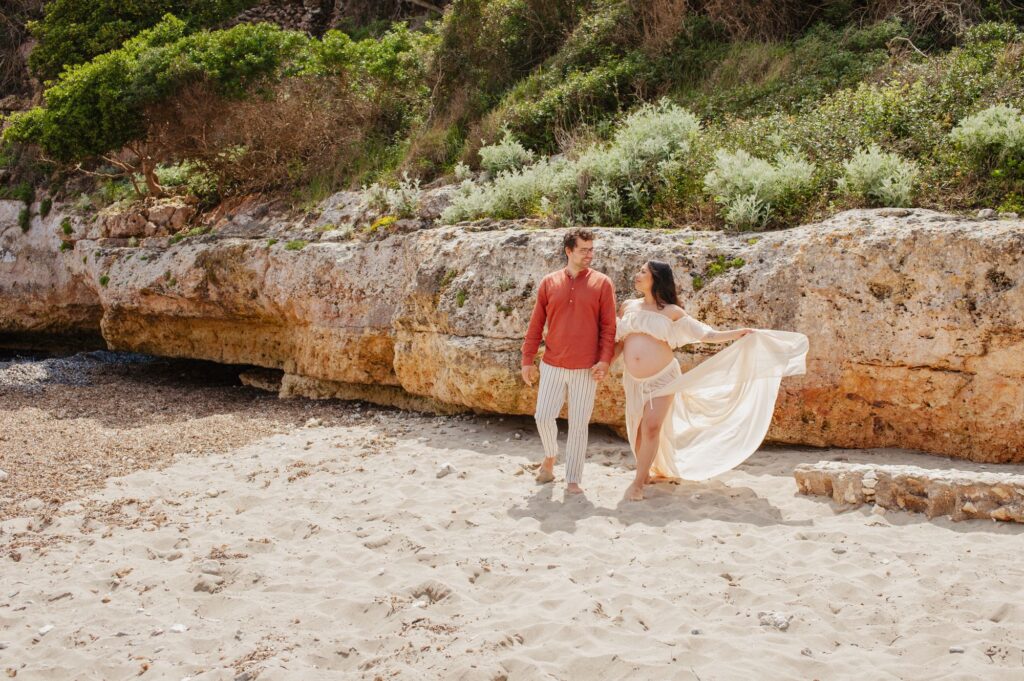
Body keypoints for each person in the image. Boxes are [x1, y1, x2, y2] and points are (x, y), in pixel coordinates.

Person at [614, 261, 808, 501]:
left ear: (656, 278)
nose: (637, 274)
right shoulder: (627, 307)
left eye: (643, 271)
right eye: (639, 270)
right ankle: (645, 473)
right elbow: (619, 342)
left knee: (652, 427)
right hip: (633, 380)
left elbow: (705, 334)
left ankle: (637, 482)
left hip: (663, 378)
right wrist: (603, 363)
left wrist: (737, 333)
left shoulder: (671, 311)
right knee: (639, 431)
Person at [521, 229, 617, 495]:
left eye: (591, 249)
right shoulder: (549, 282)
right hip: (552, 363)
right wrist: (527, 358)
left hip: (586, 369)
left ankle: (573, 478)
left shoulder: (602, 283)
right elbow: (536, 323)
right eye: (583, 249)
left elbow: (609, 328)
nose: (589, 254)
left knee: (578, 424)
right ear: (568, 251)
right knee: (542, 416)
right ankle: (550, 456)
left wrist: (604, 360)